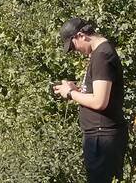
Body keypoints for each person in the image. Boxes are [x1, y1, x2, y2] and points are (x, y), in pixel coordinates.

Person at [53, 17, 127, 183]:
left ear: (80, 35)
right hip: (100, 136)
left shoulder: (102, 55)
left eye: (72, 46)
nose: (74, 50)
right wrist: (76, 89)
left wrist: (70, 94)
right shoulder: (100, 53)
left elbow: (100, 101)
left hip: (102, 138)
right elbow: (97, 93)